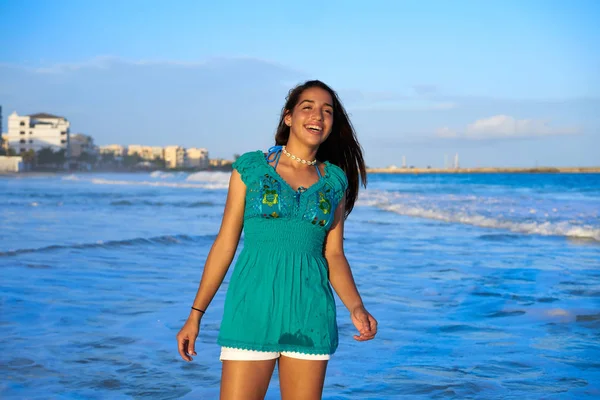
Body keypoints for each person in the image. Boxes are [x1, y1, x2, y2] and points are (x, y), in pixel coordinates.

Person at [176, 80, 378, 399]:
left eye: (327, 111)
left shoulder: (334, 181)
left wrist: (356, 306)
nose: (318, 115)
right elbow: (225, 244)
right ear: (288, 117)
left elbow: (334, 255)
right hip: (251, 311)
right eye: (307, 107)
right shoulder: (252, 169)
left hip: (310, 314)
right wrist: (195, 314)